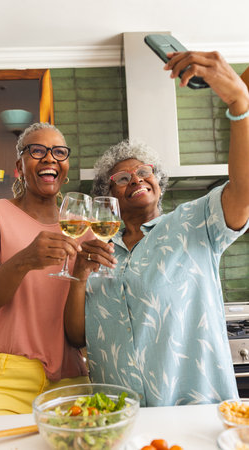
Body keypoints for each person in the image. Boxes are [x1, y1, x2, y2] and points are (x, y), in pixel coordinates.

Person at [64, 51, 249, 407]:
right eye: (122, 178)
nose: (136, 178)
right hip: (119, 415)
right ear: (108, 196)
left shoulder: (194, 223)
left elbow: (242, 191)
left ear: (159, 182)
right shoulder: (97, 251)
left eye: (145, 171)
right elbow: (76, 337)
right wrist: (79, 275)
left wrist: (241, 105)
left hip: (195, 409)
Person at [0, 122, 90, 416]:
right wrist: (25, 260)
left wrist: (80, 277)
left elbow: (79, 336)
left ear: (65, 166)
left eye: (59, 152)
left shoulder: (84, 230)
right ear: (19, 165)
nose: (49, 158)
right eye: (37, 150)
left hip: (69, 380)